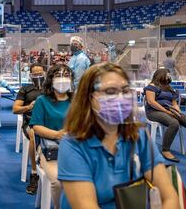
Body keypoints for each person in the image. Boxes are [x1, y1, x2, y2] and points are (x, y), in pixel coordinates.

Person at [58, 62, 179, 209]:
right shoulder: (73, 144)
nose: (120, 98)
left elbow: (170, 197)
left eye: (125, 90)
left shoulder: (139, 136)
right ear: (89, 98)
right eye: (110, 92)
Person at [29, 64, 73, 208]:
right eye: (58, 75)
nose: (63, 79)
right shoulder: (42, 101)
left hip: (76, 148)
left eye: (66, 75)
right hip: (51, 151)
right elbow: (36, 127)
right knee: (58, 181)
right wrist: (58, 135)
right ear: (51, 79)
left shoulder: (77, 101)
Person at [13, 63, 45, 195]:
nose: (38, 76)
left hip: (48, 120)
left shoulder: (50, 89)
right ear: (31, 75)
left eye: (41, 73)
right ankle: (34, 173)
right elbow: (15, 109)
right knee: (34, 133)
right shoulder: (25, 89)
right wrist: (28, 107)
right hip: (31, 121)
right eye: (35, 74)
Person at [144, 68, 186, 162]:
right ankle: (165, 150)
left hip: (169, 110)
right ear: (161, 75)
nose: (169, 77)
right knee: (174, 123)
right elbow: (151, 102)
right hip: (153, 112)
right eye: (167, 75)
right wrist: (167, 112)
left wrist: (177, 111)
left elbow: (174, 103)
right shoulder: (151, 86)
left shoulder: (169, 88)